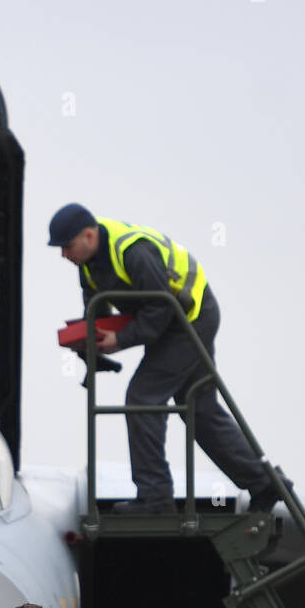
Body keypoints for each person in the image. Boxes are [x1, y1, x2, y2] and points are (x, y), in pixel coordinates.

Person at [48, 203, 278, 516]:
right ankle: (265, 484)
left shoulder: (134, 253)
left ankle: (156, 500)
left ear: (89, 236)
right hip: (171, 321)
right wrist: (91, 342)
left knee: (142, 399)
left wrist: (120, 340)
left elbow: (160, 312)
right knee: (200, 409)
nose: (64, 255)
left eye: (67, 247)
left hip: (189, 319)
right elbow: (97, 309)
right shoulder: (87, 262)